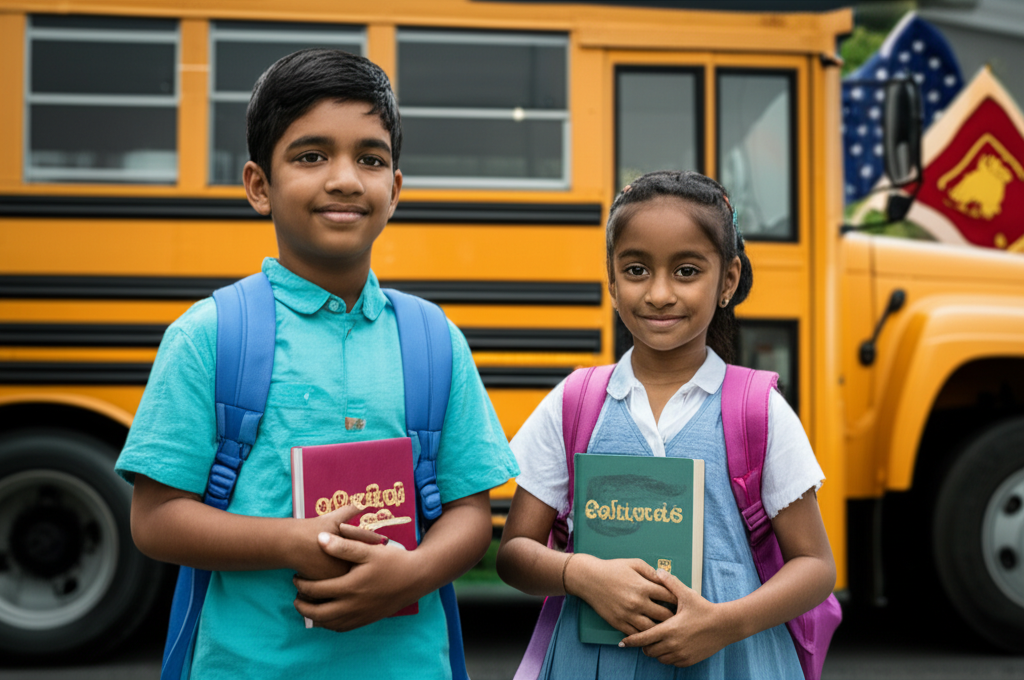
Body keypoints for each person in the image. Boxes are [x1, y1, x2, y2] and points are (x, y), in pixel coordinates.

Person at [116, 49, 518, 680]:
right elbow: (156, 519)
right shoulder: (210, 335)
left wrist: (412, 572)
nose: (345, 179)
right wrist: (290, 542)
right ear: (258, 186)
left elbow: (470, 511)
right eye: (310, 156)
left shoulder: (433, 339)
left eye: (371, 158)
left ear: (395, 190)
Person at [496, 170, 836, 679]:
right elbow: (514, 554)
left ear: (728, 280)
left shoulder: (756, 410)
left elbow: (816, 567)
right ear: (611, 283)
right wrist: (579, 571)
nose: (658, 293)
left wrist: (725, 623)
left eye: (686, 271)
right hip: (591, 663)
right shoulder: (575, 402)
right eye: (635, 270)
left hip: (730, 661)